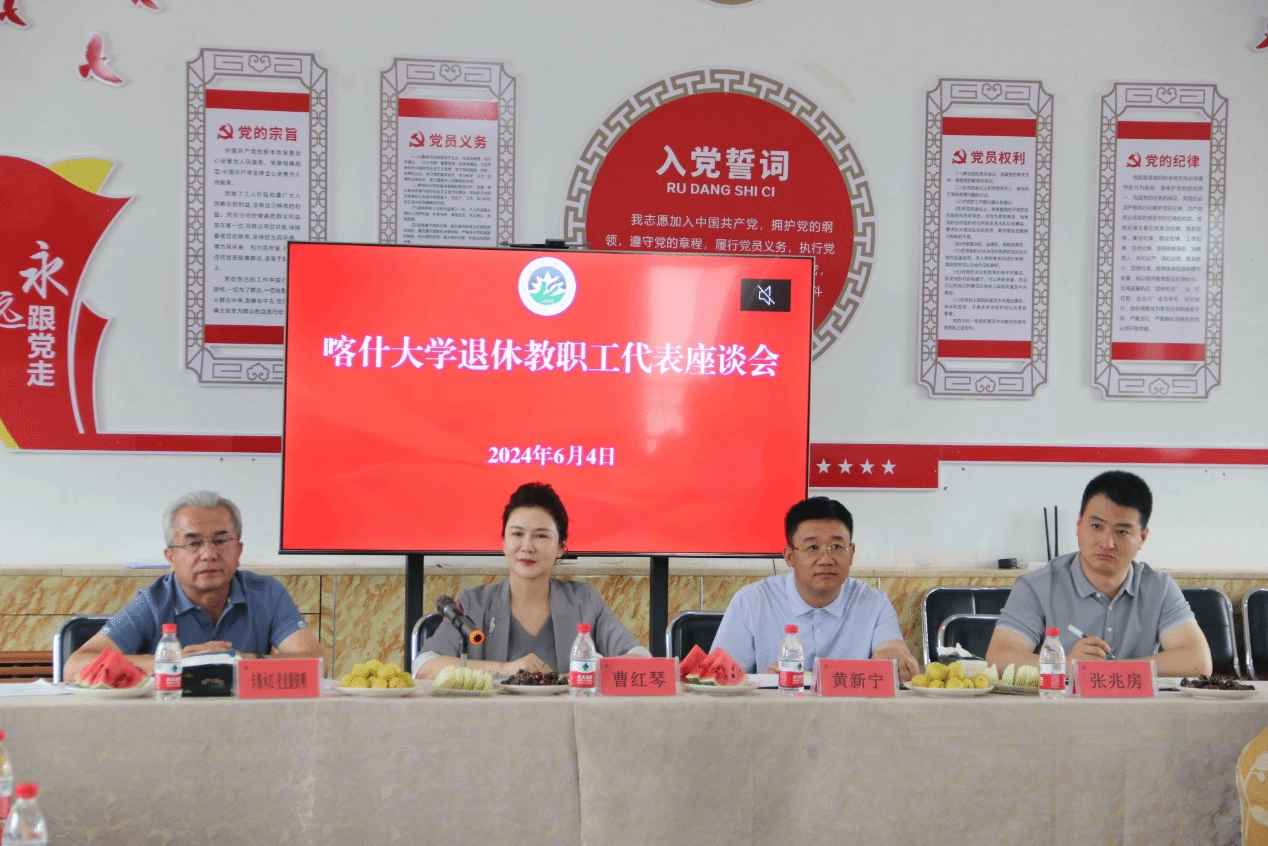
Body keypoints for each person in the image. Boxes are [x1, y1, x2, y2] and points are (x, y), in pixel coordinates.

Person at [63, 491, 323, 679]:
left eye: (221, 541)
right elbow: (75, 666)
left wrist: (241, 661)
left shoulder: (266, 593)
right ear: (171, 558)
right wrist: (180, 662)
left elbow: (316, 664)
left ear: (238, 551)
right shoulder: (152, 602)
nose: (208, 554)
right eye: (193, 543)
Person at [985, 470, 1212, 677]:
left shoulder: (1160, 588)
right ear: (1079, 525)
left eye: (1122, 531)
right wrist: (1066, 666)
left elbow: (1198, 662)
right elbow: (999, 658)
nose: (1107, 543)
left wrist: (1105, 672)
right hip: (1060, 707)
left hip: (1137, 708)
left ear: (1142, 537)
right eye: (1096, 527)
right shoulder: (1037, 586)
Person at [413, 482, 650, 679]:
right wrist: (503, 669)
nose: (527, 546)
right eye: (517, 534)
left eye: (541, 536)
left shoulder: (584, 600)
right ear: (503, 542)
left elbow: (641, 660)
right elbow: (424, 665)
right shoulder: (474, 602)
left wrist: (586, 674)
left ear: (561, 547)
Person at [711, 496, 920, 681]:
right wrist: (764, 683)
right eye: (812, 547)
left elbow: (891, 648)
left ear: (851, 553)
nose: (826, 559)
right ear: (789, 556)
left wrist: (896, 657)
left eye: (836, 547)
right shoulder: (751, 601)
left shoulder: (874, 603)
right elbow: (718, 678)